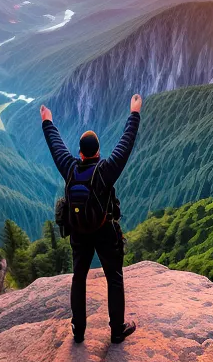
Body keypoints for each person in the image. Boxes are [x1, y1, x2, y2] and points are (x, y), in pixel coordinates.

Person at [40, 94, 142, 344]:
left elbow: (56, 145)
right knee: (114, 277)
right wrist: (134, 113)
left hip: (79, 232)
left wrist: (47, 121)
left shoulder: (70, 168)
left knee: (79, 277)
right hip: (105, 230)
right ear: (98, 151)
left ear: (80, 153)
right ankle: (117, 329)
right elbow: (125, 144)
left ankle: (78, 330)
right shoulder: (106, 171)